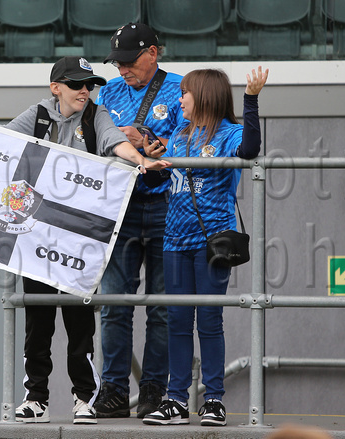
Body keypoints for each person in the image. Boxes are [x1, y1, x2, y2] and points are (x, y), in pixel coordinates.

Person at [0, 56, 170, 424]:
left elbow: (115, 143)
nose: (85, 91)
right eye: (76, 85)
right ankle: (36, 396)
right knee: (38, 317)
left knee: (79, 322)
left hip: (78, 238)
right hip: (35, 235)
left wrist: (140, 161)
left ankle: (84, 397)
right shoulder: (39, 114)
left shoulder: (96, 117)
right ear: (55, 87)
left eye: (89, 85)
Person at [141, 66, 268, 426]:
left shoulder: (229, 133)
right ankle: (176, 400)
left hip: (212, 241)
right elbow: (169, 178)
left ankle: (213, 399)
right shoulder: (179, 135)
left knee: (209, 321)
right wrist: (151, 162)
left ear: (205, 96)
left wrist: (251, 100)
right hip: (173, 240)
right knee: (177, 321)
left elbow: (250, 149)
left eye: (186, 93)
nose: (180, 98)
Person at [93, 22, 187, 419]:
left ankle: (154, 390)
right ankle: (112, 389)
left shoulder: (183, 87)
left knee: (162, 306)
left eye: (129, 61)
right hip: (121, 207)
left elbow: (194, 139)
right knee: (114, 302)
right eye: (117, 62)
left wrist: (145, 137)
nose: (123, 69)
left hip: (166, 204)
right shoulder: (107, 92)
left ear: (153, 52)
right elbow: (89, 140)